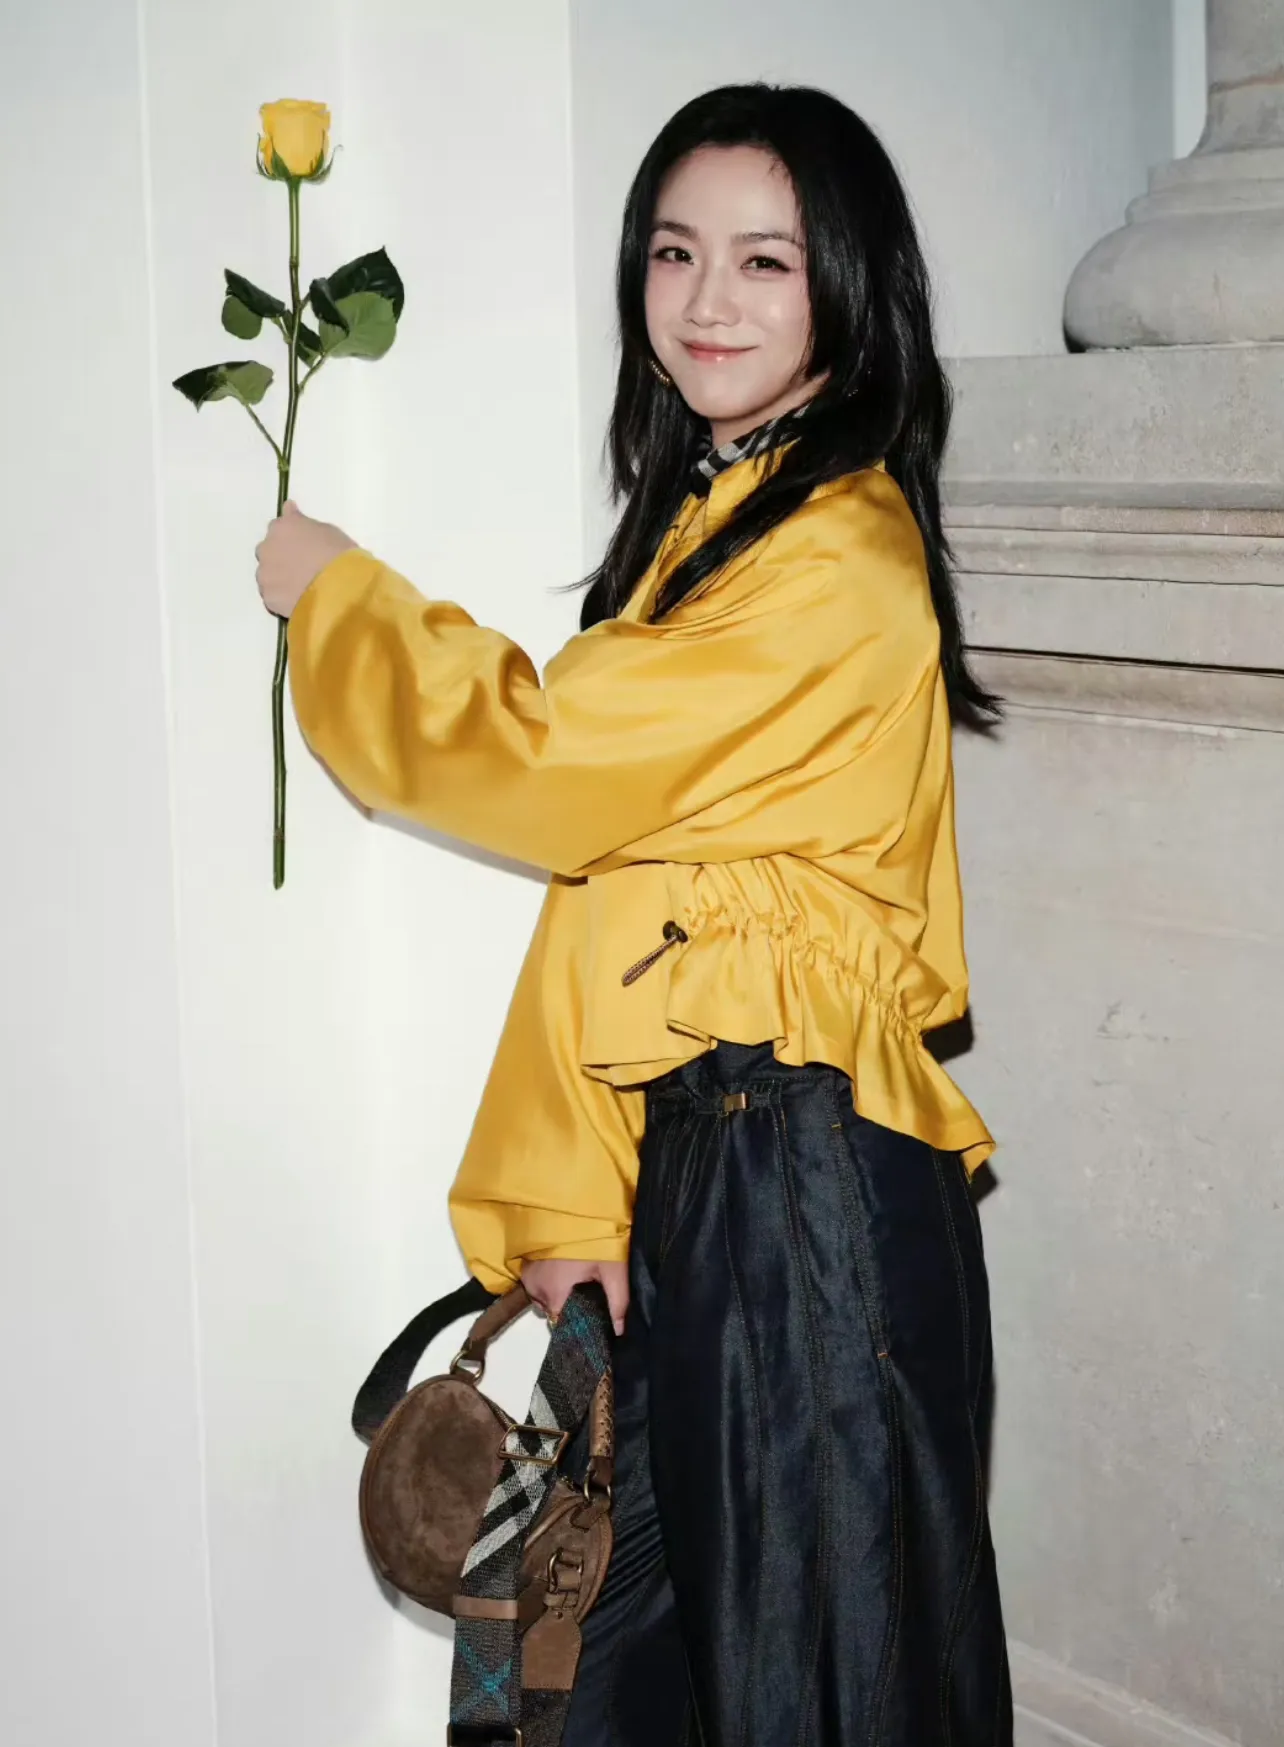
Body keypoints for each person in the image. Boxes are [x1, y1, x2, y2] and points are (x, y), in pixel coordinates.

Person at [257, 81, 1011, 1747]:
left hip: (801, 1187)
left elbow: (546, 763)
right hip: (726, 1176)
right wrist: (581, 1188)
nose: (707, 298)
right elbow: (627, 903)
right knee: (609, 1670)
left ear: (848, 287)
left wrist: (339, 601)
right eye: (675, 253)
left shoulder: (834, 555)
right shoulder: (718, 531)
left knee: (818, 1677)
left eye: (765, 259)